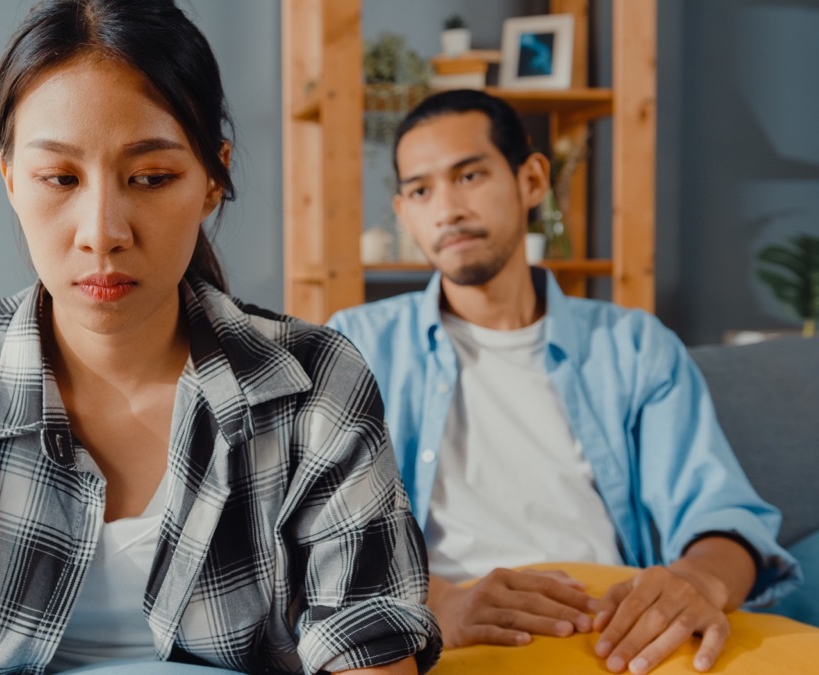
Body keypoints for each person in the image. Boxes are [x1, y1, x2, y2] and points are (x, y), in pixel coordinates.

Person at [0, 1, 440, 673]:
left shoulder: (316, 383)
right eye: (60, 178)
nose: (103, 231)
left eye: (151, 178)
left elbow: (367, 644)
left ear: (212, 180)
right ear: (11, 179)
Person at [327, 90, 800, 675]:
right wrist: (435, 602)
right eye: (421, 191)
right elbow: (316, 534)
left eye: (469, 175)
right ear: (403, 212)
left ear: (531, 180)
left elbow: (722, 514)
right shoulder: (354, 345)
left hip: (615, 630)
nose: (446, 209)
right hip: (451, 630)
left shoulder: (633, 344)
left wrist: (696, 581)